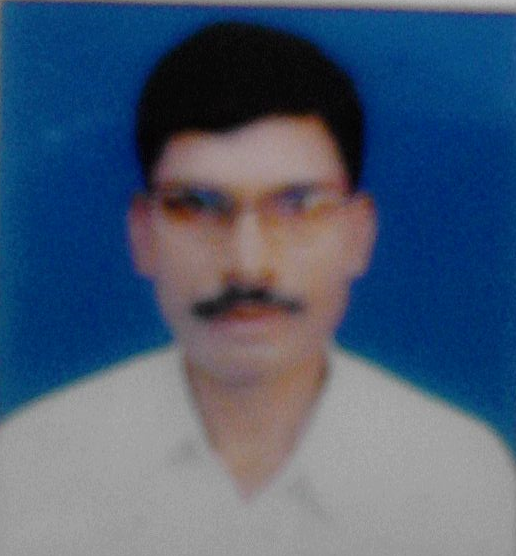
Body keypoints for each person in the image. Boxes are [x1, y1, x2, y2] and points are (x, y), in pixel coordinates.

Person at [1, 21, 514, 556]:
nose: (248, 268)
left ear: (358, 236)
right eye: (197, 206)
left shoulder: (457, 480)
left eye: (298, 206)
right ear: (143, 235)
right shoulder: (32, 467)